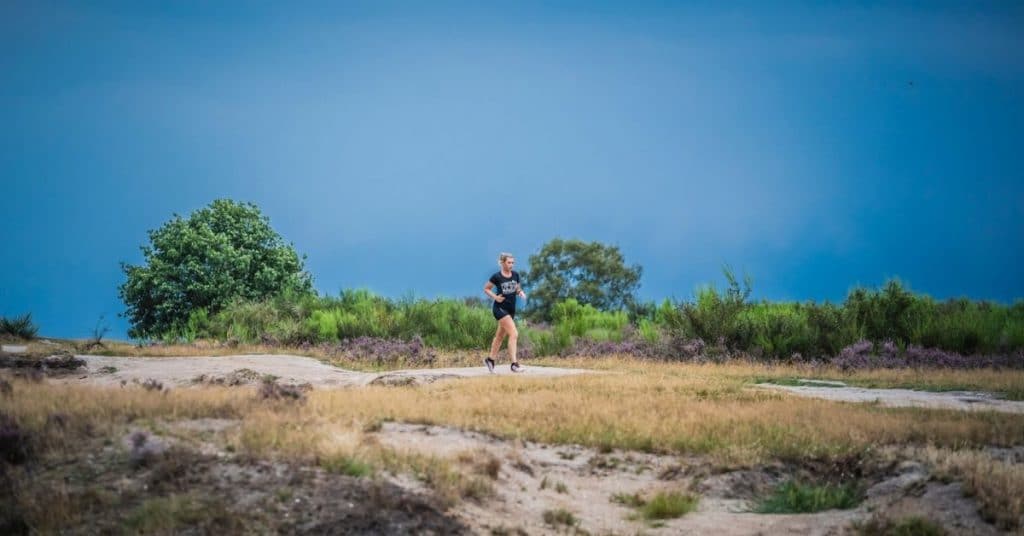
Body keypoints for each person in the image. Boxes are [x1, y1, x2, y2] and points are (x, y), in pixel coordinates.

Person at [483, 252, 527, 373]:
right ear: (502, 263)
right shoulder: (496, 277)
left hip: (511, 310)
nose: (511, 265)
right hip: (499, 309)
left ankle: (490, 360)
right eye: (509, 262)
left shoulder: (516, 275)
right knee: (514, 333)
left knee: (500, 336)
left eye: (513, 262)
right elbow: (486, 288)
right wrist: (495, 297)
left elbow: (516, 288)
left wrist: (520, 292)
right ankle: (514, 364)